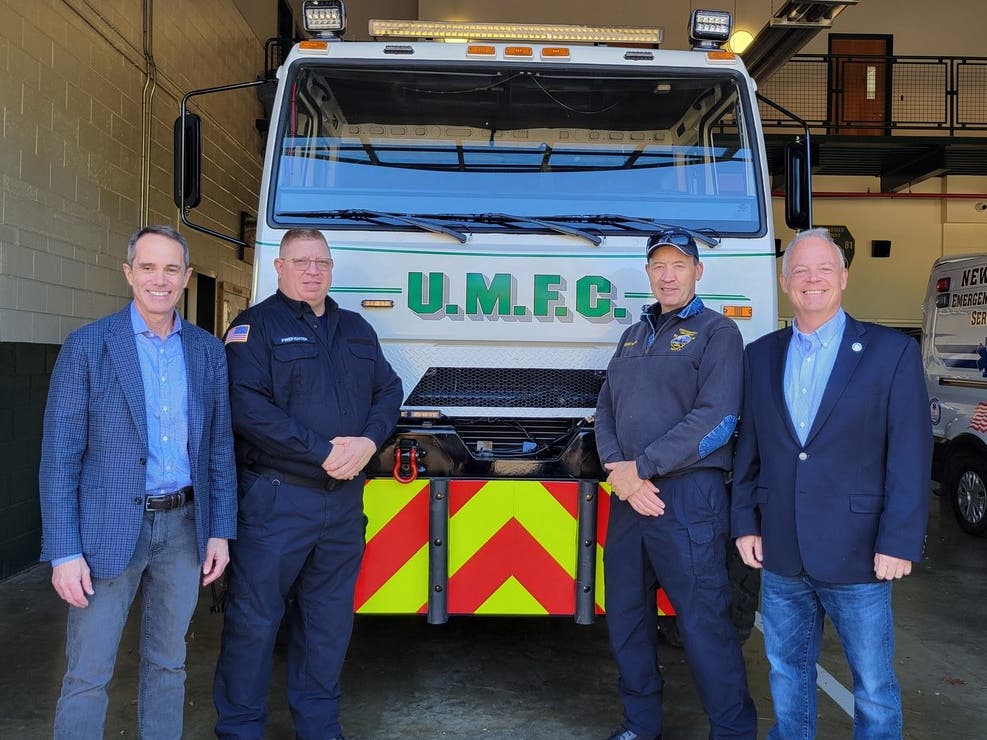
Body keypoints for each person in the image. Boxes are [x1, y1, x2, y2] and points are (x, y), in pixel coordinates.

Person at [39, 225, 238, 739]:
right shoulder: (88, 346)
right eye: (148, 267)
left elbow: (218, 447)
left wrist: (218, 530)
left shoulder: (206, 351)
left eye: (171, 268)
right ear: (129, 274)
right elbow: (59, 458)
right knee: (88, 673)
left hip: (184, 529)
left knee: (169, 664)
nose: (160, 279)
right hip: (105, 533)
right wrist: (63, 551)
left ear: (187, 277)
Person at [732, 228, 931, 739]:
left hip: (861, 552)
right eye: (800, 271)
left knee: (873, 686)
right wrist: (745, 523)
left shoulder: (890, 352)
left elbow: (910, 452)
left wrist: (899, 540)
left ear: (843, 277)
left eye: (824, 269)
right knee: (786, 674)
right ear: (784, 282)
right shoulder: (759, 355)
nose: (812, 280)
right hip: (780, 550)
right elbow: (748, 450)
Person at [213, 228, 403, 739]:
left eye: (321, 262)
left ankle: (319, 728)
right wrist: (322, 453)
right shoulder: (255, 328)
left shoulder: (357, 329)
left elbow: (389, 389)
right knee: (254, 622)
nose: (312, 271)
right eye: (301, 262)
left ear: (331, 268)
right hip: (277, 500)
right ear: (279, 267)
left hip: (342, 504)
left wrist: (367, 442)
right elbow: (248, 409)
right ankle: (240, 729)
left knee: (328, 625)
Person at [595, 230, 757, 740]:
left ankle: (732, 731)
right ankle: (640, 726)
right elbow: (605, 411)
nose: (668, 275)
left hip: (688, 500)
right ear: (648, 273)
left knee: (705, 625)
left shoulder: (717, 333)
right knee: (627, 620)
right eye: (658, 266)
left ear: (697, 272)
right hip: (628, 500)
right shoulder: (632, 336)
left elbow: (718, 419)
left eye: (679, 265)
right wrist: (619, 471)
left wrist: (642, 468)